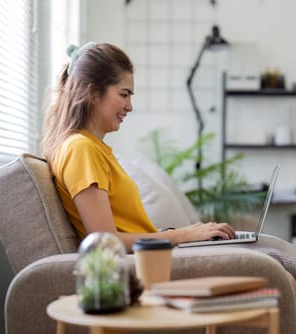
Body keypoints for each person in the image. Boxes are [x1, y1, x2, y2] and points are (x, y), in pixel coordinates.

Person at [42, 42, 235, 252]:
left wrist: (187, 234)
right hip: (145, 263)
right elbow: (105, 242)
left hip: (153, 255)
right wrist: (184, 235)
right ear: (93, 93)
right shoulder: (80, 149)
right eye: (124, 94)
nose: (130, 106)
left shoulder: (90, 148)